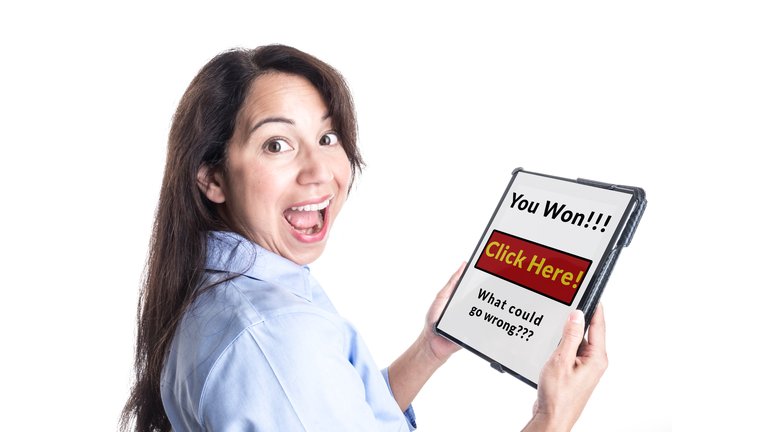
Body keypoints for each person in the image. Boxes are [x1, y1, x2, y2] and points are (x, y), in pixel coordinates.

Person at [121, 45, 608, 432]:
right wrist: (552, 418)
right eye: (277, 144)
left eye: (328, 138)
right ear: (213, 179)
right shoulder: (275, 335)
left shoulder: (221, 291)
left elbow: (327, 413)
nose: (319, 171)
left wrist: (429, 349)